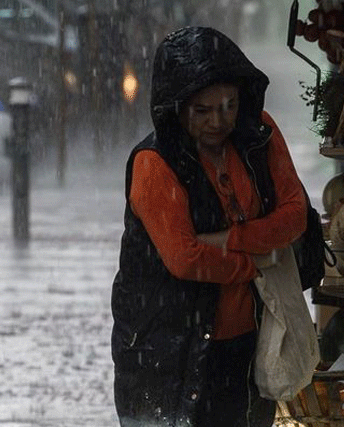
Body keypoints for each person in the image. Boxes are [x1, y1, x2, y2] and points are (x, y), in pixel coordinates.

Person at [111, 27, 308, 426]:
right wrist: (254, 264)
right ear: (177, 108)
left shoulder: (259, 135)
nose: (220, 121)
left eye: (230, 105)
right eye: (203, 111)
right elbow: (185, 258)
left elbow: (294, 215)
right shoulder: (154, 164)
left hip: (245, 344)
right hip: (164, 349)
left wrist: (232, 239)